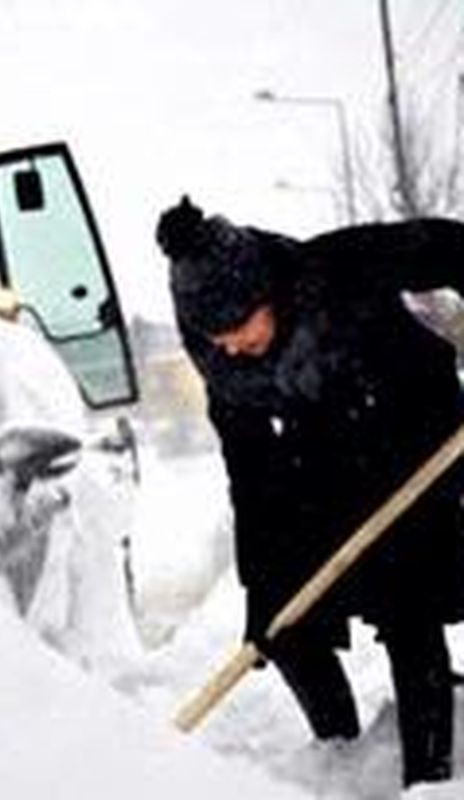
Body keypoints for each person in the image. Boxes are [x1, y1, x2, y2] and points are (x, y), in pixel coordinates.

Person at [155, 196, 464, 792]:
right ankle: (341, 756)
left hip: (416, 439)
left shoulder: (336, 268)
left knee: (410, 606)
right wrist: (260, 587)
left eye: (238, 328)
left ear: (265, 295)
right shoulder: (225, 363)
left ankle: (427, 780)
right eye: (215, 338)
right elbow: (248, 475)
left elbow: (453, 247)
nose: (230, 347)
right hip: (325, 470)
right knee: (285, 624)